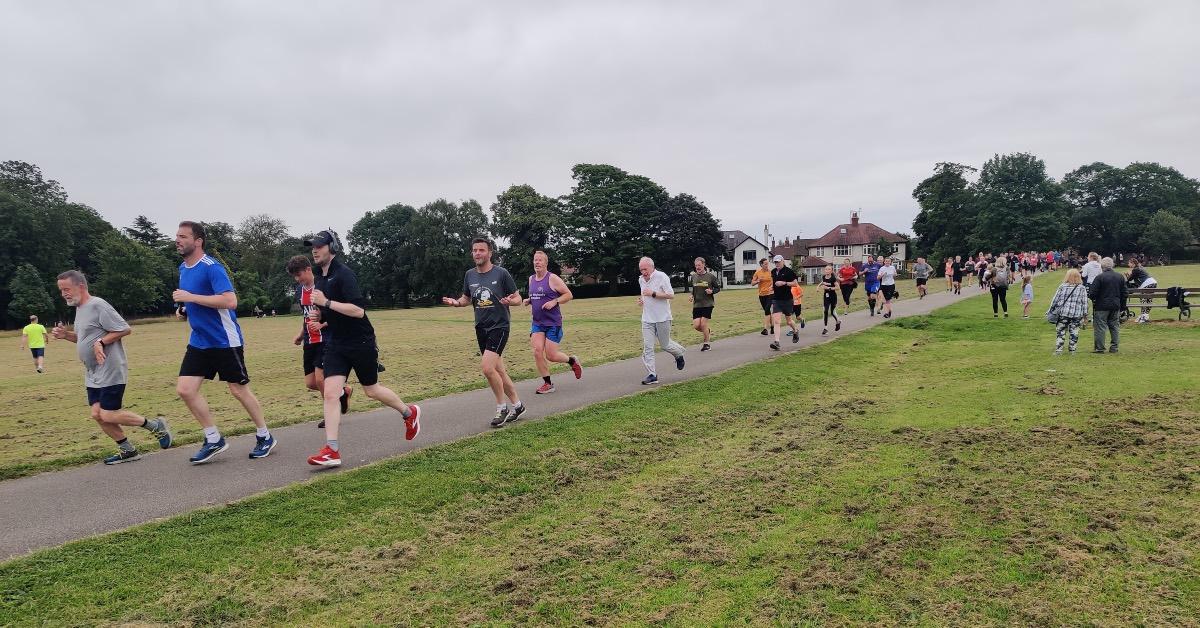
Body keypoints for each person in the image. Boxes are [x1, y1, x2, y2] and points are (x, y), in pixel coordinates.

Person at [307, 229, 420, 465]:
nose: (314, 250)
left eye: (319, 246)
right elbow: (330, 307)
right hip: (336, 342)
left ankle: (409, 413)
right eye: (312, 246)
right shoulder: (320, 277)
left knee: (372, 390)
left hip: (361, 341)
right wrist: (320, 312)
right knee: (329, 393)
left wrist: (325, 302)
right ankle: (332, 450)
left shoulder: (344, 274)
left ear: (332, 248)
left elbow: (358, 311)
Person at [172, 221, 276, 464]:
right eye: (177, 235)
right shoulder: (183, 268)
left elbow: (230, 301)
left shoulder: (212, 267)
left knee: (238, 390)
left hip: (224, 340)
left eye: (183, 236)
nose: (177, 240)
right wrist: (185, 309)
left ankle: (265, 435)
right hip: (199, 341)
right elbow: (193, 302)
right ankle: (213, 438)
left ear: (198, 241)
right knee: (185, 390)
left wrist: (190, 297)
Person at [52, 270, 173, 464]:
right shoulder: (80, 309)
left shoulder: (98, 305)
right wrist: (66, 336)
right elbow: (85, 340)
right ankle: (127, 450)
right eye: (61, 290)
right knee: (97, 415)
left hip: (110, 368)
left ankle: (155, 425)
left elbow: (124, 328)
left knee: (108, 414)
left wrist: (100, 341)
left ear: (80, 286)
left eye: (66, 289)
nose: (63, 294)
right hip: (92, 372)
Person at [443, 238, 525, 426]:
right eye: (474, 250)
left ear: (490, 253)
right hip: (481, 327)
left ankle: (501, 407)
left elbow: (518, 299)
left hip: (500, 326)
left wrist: (509, 301)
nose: (477, 253)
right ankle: (518, 405)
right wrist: (456, 303)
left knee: (488, 369)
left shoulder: (501, 273)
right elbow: (466, 298)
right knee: (499, 371)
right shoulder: (469, 275)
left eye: (481, 250)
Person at [285, 255, 351, 429]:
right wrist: (300, 334)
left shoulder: (323, 287)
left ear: (308, 269)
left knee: (321, 380)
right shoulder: (300, 291)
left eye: (299, 275)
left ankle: (332, 415)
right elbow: (306, 316)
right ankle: (342, 392)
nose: (297, 279)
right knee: (311, 383)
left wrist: (322, 324)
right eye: (294, 276)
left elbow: (337, 313)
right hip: (309, 340)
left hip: (326, 339)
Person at [522, 250, 582, 395]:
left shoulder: (552, 278)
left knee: (551, 355)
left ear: (545, 263)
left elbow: (568, 294)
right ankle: (547, 384)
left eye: (540, 260)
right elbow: (536, 295)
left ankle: (572, 361)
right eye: (535, 260)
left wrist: (554, 301)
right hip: (537, 323)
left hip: (553, 323)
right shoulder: (531, 279)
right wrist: (529, 300)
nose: (536, 263)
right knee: (537, 351)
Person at [633, 256, 685, 385]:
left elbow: (671, 295)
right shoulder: (641, 280)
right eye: (641, 270)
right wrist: (641, 301)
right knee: (648, 347)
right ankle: (652, 375)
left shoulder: (662, 277)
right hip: (647, 319)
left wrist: (654, 294)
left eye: (645, 269)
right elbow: (644, 295)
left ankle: (679, 354)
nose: (643, 272)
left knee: (665, 345)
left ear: (651, 266)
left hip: (663, 318)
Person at [1088, 257, 1128, 354]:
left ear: (1102, 266)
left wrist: (1094, 299)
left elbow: (1092, 293)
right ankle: (1114, 347)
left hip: (1101, 306)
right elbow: (1125, 293)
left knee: (1100, 327)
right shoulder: (1120, 277)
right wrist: (1122, 306)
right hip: (1115, 305)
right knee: (1114, 326)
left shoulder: (1099, 277)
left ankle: (1100, 348)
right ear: (1112, 265)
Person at [1047, 269, 1088, 355]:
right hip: (1076, 314)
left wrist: (1050, 310)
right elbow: (1084, 302)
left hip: (1063, 313)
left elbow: (1055, 300)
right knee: (1074, 332)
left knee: (1061, 331)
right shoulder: (1082, 288)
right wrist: (1085, 315)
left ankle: (1059, 349)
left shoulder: (1062, 286)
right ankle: (1072, 350)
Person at [688, 257, 721, 351]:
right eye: (696, 265)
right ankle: (707, 331)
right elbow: (694, 289)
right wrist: (691, 296)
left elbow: (718, 288)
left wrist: (712, 291)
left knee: (703, 324)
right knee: (696, 325)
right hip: (697, 305)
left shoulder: (710, 276)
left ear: (703, 265)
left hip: (708, 303)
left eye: (699, 265)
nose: (697, 267)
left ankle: (706, 344)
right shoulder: (693, 277)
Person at [768, 255, 801, 350]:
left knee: (789, 321)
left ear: (783, 261)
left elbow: (795, 283)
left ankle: (795, 330)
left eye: (778, 262)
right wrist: (772, 287)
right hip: (776, 300)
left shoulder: (789, 271)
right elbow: (774, 282)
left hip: (787, 300)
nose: (777, 264)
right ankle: (777, 342)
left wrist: (784, 283)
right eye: (775, 262)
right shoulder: (773, 272)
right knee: (777, 321)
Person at [1125, 257, 1157, 323]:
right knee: (1148, 300)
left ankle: (1143, 316)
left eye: (1129, 263)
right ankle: (1145, 315)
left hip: (1146, 284)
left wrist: (1127, 274)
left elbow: (1129, 279)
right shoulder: (1140, 267)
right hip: (1153, 282)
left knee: (1143, 300)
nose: (1128, 264)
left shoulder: (1135, 269)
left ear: (1133, 263)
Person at [751, 258, 774, 335]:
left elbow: (774, 282)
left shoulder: (771, 272)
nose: (767, 265)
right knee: (767, 311)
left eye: (768, 263)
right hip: (761, 295)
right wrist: (757, 281)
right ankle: (772, 327)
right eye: (765, 264)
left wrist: (772, 286)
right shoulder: (757, 272)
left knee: (767, 309)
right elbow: (752, 283)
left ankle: (765, 329)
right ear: (761, 264)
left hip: (770, 294)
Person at [819, 265, 841, 336]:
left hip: (833, 297)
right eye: (826, 269)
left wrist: (829, 288)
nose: (827, 270)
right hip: (826, 296)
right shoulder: (823, 277)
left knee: (832, 312)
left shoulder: (833, 278)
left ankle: (838, 321)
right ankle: (825, 329)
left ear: (831, 271)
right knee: (825, 311)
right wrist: (818, 286)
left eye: (829, 269)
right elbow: (823, 282)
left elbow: (838, 288)